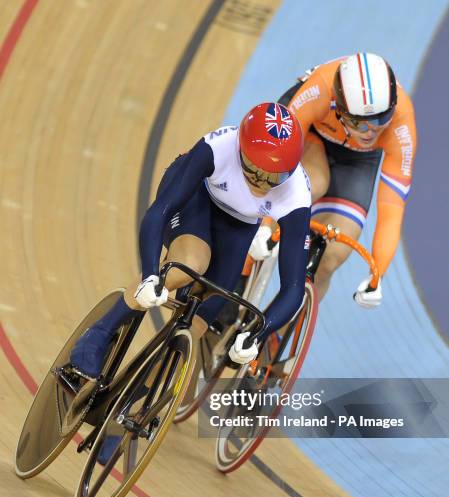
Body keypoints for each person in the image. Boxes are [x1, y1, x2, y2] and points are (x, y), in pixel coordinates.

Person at [69, 102, 312, 382]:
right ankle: (99, 333)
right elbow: (159, 212)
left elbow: (293, 286)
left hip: (238, 227)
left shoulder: (295, 195)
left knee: (200, 319)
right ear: (240, 149)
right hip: (195, 199)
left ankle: (137, 405)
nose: (261, 181)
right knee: (188, 265)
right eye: (254, 170)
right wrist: (150, 274)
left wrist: (258, 334)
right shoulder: (218, 147)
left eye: (274, 178)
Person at [274, 52, 417, 307]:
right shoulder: (321, 87)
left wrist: (377, 276)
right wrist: (264, 224)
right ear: (338, 109)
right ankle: (243, 268)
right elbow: (278, 156)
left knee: (330, 259)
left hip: (357, 161)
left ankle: (274, 341)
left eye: (381, 119)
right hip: (310, 133)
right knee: (314, 182)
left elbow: (392, 210)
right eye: (359, 123)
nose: (371, 131)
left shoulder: (401, 123)